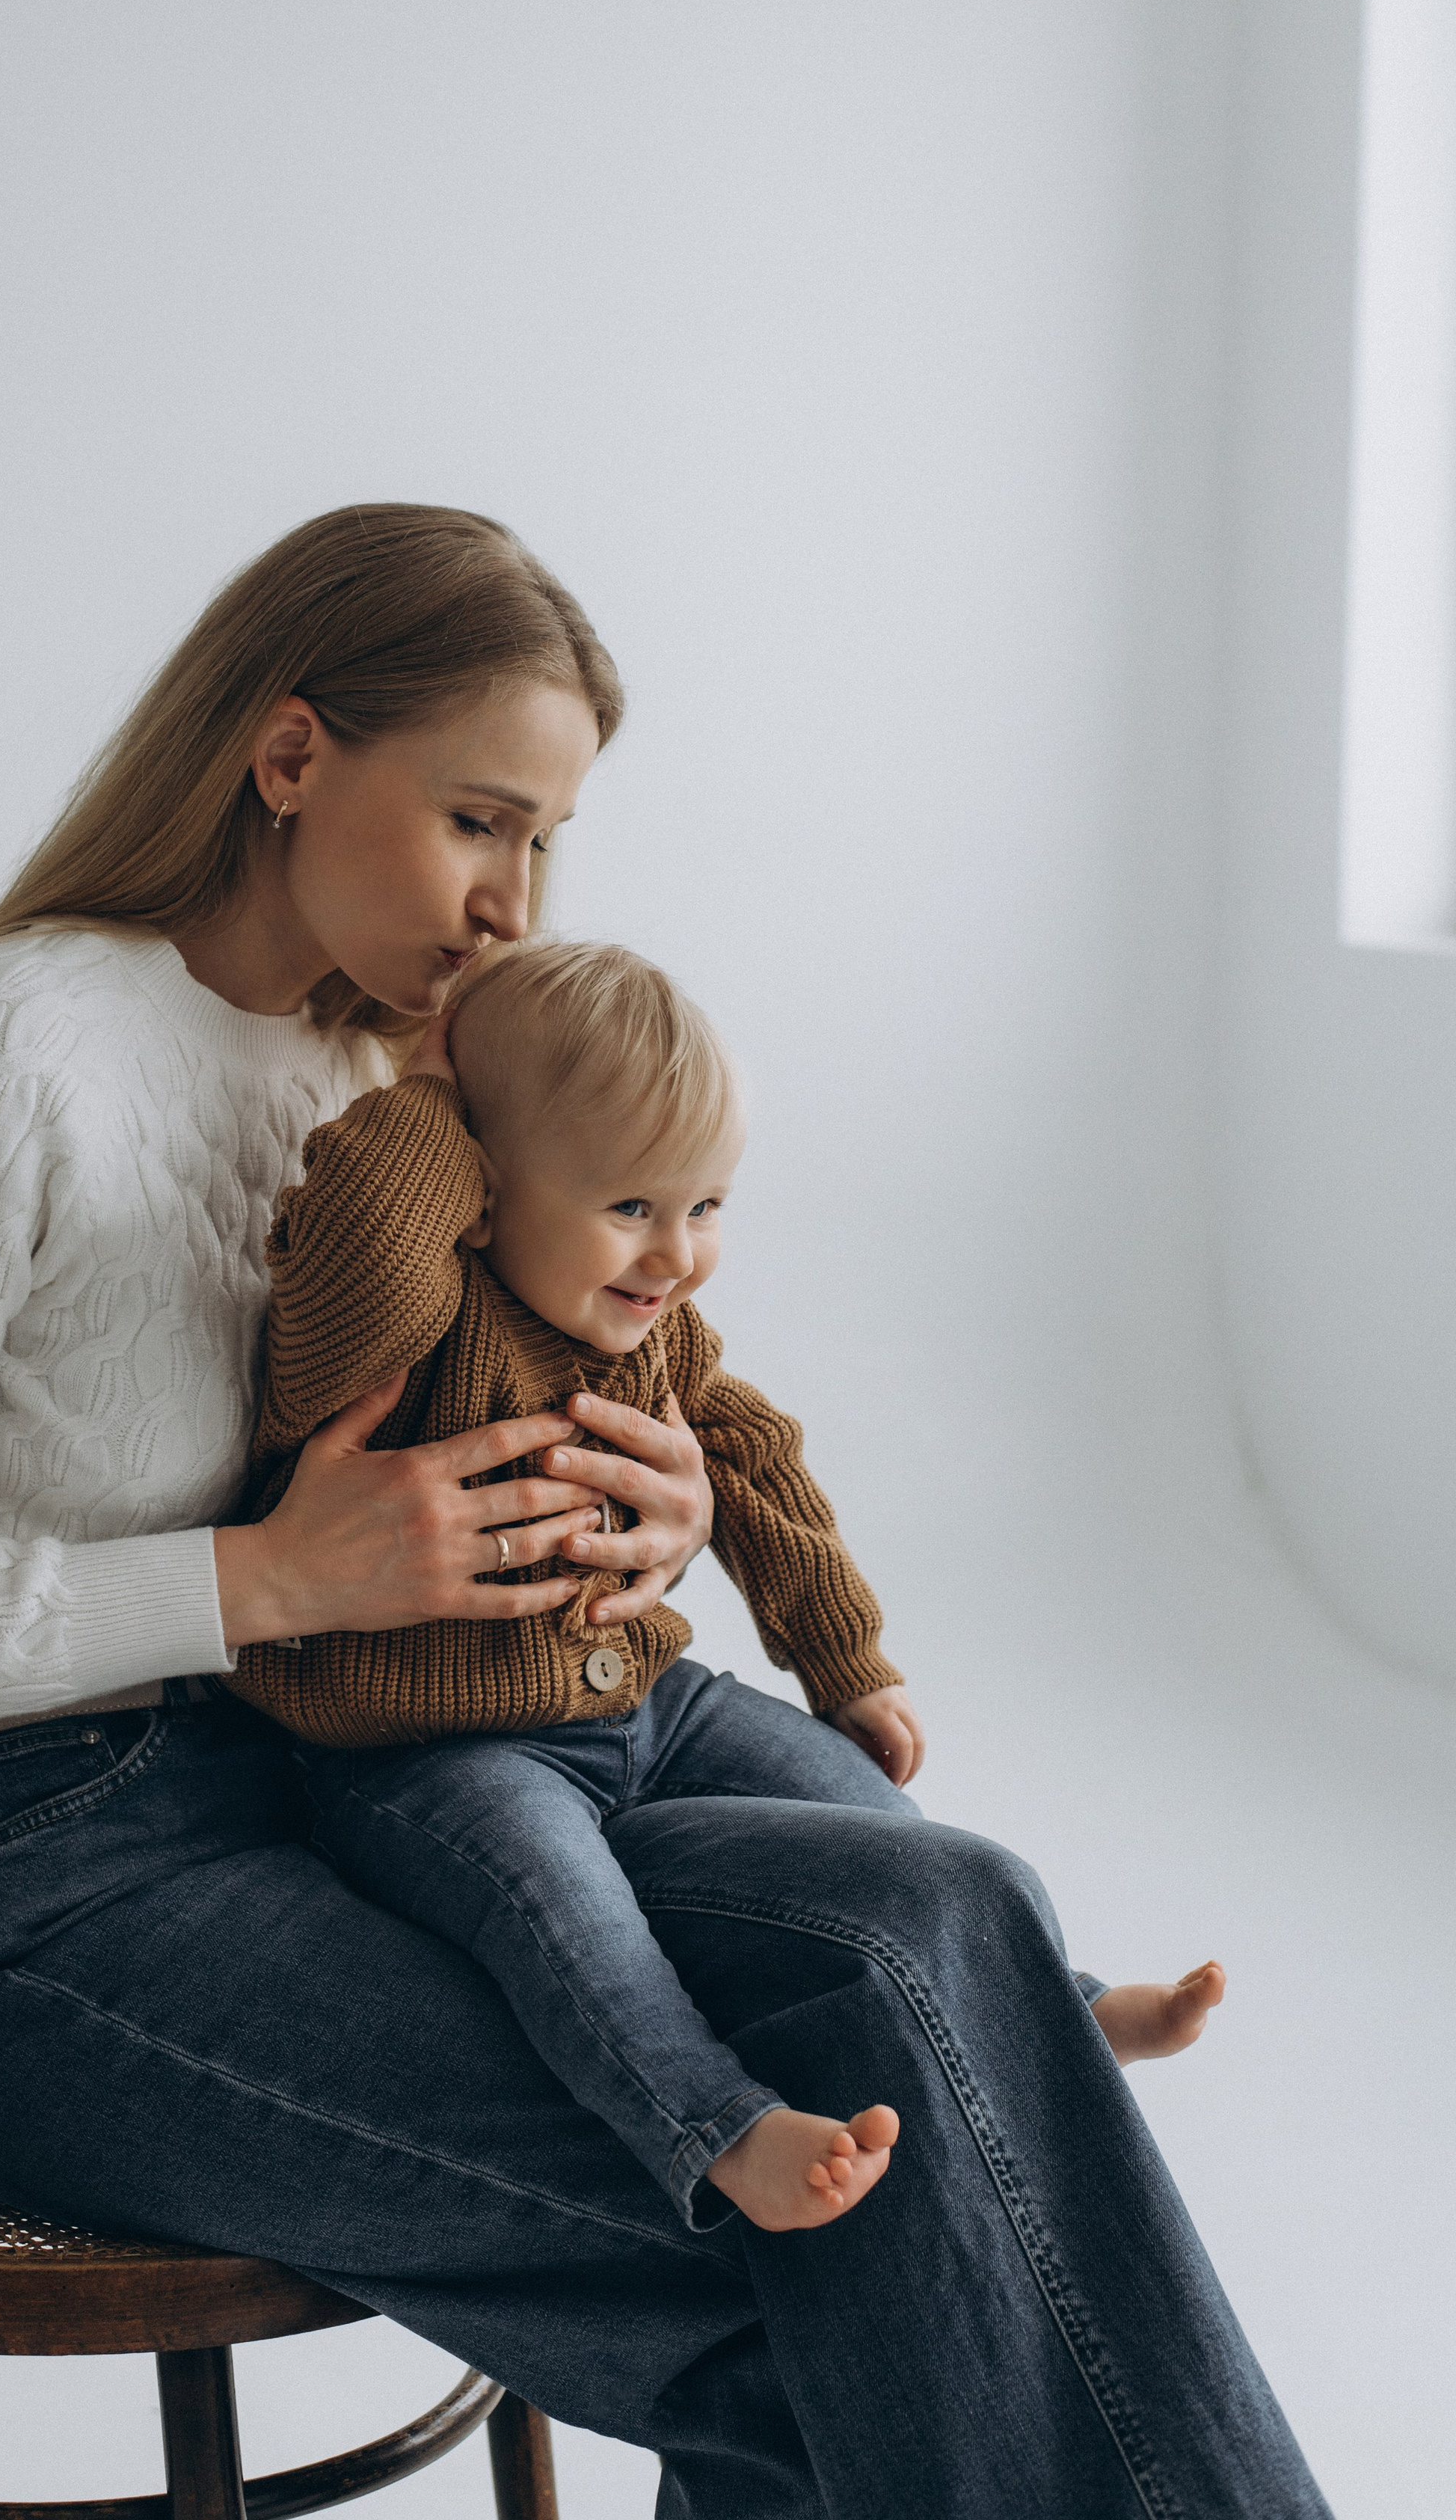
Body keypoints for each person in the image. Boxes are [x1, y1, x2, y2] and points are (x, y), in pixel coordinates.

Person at [0, 505, 1328, 2518]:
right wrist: (260, 1579)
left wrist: (651, 1502)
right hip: (45, 1885)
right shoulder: (7, 1043)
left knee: (948, 1911)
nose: (512, 901)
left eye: (544, 841)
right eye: (478, 821)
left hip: (398, 1774)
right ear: (288, 755)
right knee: (872, 2254)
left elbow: (582, 1353)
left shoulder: (396, 1075)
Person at [224, 935, 1228, 2235]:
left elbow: (755, 1466)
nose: (678, 1256)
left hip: (647, 1704)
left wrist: (844, 1661)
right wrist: (432, 1091)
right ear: (477, 1186)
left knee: (866, 1808)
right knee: (562, 1914)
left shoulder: (657, 1333)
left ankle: (1054, 2005)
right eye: (630, 1209)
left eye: (706, 1207)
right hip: (432, 1755)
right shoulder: (400, 1321)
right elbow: (364, 1226)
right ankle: (719, 2128)